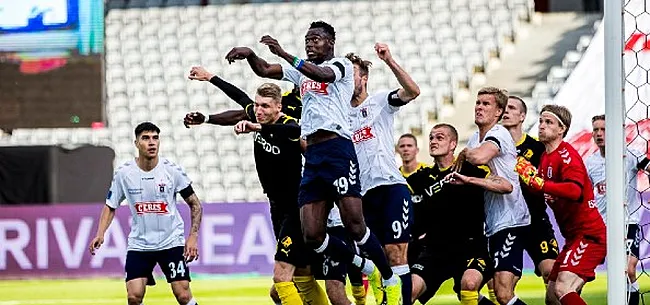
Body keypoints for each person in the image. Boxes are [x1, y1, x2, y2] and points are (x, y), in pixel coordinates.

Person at [225, 21, 400, 304]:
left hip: (337, 149)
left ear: (330, 42)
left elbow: (321, 74)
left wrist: (283, 52)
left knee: (355, 226)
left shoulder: (340, 66)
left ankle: (388, 278)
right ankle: (365, 267)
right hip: (314, 156)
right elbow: (265, 71)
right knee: (312, 235)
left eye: (316, 39)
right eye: (308, 39)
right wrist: (250, 55)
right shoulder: (301, 71)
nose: (310, 43)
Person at [185, 83, 327, 305]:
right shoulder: (258, 116)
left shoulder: (287, 125)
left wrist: (257, 128)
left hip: (295, 207)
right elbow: (238, 96)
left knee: (281, 278)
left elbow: (296, 131)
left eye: (266, 107)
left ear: (279, 107)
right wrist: (210, 78)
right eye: (258, 105)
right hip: (276, 206)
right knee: (302, 274)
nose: (259, 111)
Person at [88, 122, 203, 305]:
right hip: (140, 244)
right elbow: (110, 205)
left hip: (171, 242)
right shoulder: (124, 174)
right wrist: (100, 233)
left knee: (182, 295)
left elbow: (195, 204)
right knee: (134, 296)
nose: (152, 143)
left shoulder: (172, 171)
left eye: (155, 138)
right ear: (136, 143)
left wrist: (193, 236)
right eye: (146, 138)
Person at [346, 44, 420, 304]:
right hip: (362, 194)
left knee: (396, 252)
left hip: (391, 187)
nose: (346, 79)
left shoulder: (380, 101)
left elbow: (413, 91)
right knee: (375, 258)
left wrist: (389, 59)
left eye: (351, 74)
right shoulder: (341, 114)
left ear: (363, 78)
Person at [515, 105, 606, 305]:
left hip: (589, 234)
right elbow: (541, 188)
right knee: (551, 297)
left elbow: (574, 191)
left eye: (549, 122)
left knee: (563, 287)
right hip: (573, 237)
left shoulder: (567, 156)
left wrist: (541, 183)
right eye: (540, 121)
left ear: (561, 129)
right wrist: (527, 178)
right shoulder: (546, 157)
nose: (541, 126)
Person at [408, 123, 502, 305]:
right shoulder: (419, 179)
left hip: (471, 247)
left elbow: (505, 185)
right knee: (408, 291)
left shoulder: (473, 171)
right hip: (435, 250)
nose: (433, 141)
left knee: (468, 284)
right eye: (431, 138)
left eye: (439, 137)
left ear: (453, 144)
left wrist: (471, 181)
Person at [454, 87, 531, 305]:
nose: (479, 107)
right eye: (478, 103)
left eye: (486, 104)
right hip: (490, 225)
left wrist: (463, 154)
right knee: (468, 286)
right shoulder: (473, 138)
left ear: (498, 112)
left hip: (511, 220)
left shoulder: (498, 134)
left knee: (503, 292)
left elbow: (479, 158)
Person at [584, 114, 650, 305]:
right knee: (589, 272)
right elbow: (587, 194)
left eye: (603, 129)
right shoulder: (591, 163)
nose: (599, 134)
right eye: (596, 129)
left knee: (628, 269)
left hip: (628, 221)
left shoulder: (630, 154)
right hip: (601, 225)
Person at [501, 96, 559, 284]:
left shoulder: (537, 148)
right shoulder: (492, 148)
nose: (506, 111)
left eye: (511, 108)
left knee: (551, 272)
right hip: (506, 223)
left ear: (522, 116)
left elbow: (552, 176)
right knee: (500, 285)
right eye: (503, 108)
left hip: (535, 221)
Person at [184, 65, 302, 124]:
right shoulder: (283, 100)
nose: (259, 111)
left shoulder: (297, 116)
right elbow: (243, 108)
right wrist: (207, 118)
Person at [395, 133, 429, 272]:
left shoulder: (427, 172)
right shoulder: (394, 176)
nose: (406, 149)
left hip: (425, 237)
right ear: (397, 150)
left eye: (409, 146)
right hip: (402, 237)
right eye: (402, 146)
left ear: (416, 149)